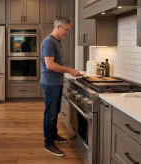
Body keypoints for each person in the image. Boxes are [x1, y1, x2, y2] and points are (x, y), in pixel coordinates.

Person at [41, 16, 81, 157]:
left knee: (55, 111)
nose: (67, 33)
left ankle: (54, 135)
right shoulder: (49, 43)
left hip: (56, 82)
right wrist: (70, 70)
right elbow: (50, 65)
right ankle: (49, 143)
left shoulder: (56, 41)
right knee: (50, 114)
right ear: (58, 27)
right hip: (50, 83)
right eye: (66, 30)